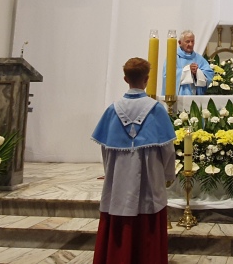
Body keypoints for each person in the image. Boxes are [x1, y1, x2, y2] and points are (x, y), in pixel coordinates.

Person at [91, 57, 177, 264]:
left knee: (119, 213)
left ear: (125, 79)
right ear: (147, 79)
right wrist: (167, 175)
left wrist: (111, 173)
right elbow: (168, 149)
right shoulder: (156, 109)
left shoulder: (113, 109)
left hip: (119, 179)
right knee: (148, 216)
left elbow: (105, 149)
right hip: (150, 180)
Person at [161, 30, 214, 95]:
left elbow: (209, 74)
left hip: (195, 97)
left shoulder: (199, 59)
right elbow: (167, 76)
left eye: (192, 41)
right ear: (180, 42)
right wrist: (188, 70)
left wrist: (197, 73)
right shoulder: (172, 58)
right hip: (177, 97)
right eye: (187, 41)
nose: (190, 44)